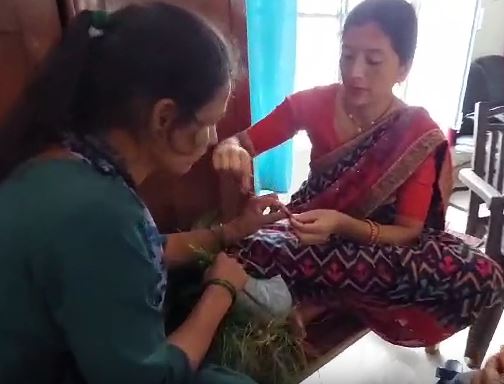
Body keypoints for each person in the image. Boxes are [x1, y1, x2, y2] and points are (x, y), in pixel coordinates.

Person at [0, 4, 283, 383]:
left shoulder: (61, 157)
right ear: (163, 118)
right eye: (209, 123)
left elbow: (137, 250)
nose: (214, 139)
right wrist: (221, 291)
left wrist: (231, 231)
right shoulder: (99, 212)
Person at [213, 0, 504, 354]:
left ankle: (320, 296)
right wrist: (231, 149)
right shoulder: (312, 103)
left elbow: (409, 232)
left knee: (482, 276)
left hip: (377, 244)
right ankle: (324, 294)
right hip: (311, 230)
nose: (355, 72)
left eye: (374, 60)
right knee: (248, 247)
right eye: (347, 55)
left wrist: (343, 225)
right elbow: (244, 142)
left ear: (404, 68)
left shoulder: (417, 132)